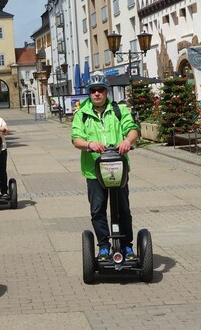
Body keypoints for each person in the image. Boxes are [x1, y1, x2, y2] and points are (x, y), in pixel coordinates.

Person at [71, 71, 140, 262]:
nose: (97, 94)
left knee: (123, 209)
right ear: (89, 93)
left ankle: (127, 246)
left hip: (118, 169)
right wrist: (89, 144)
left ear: (106, 91)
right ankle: (103, 246)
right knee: (98, 210)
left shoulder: (119, 110)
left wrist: (127, 141)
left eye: (100, 90)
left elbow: (132, 128)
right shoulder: (81, 114)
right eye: (93, 90)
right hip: (94, 172)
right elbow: (75, 138)